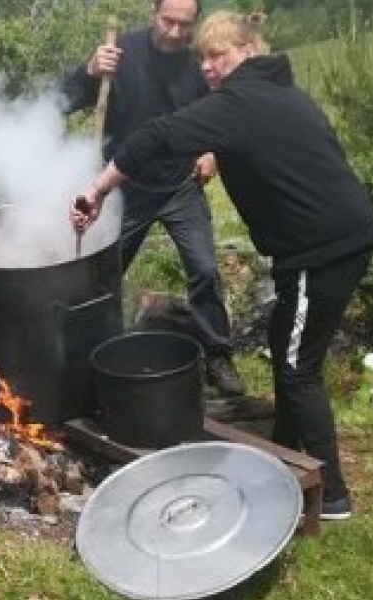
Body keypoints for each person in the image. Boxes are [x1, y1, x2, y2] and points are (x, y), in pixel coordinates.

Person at [71, 10, 373, 520]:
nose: (210, 68)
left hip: (320, 251)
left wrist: (97, 188)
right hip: (335, 240)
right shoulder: (282, 92)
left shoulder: (239, 103)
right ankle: (287, 448)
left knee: (298, 368)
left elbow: (154, 138)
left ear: (249, 50)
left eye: (220, 55)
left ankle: (334, 497)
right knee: (288, 344)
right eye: (204, 58)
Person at [62, 0, 245, 396]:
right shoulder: (119, 53)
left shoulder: (199, 62)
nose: (176, 33)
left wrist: (210, 150)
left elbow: (217, 113)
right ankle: (90, 353)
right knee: (104, 275)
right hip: (124, 188)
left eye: (185, 25)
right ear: (153, 15)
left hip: (180, 185)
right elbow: (64, 99)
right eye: (168, 22)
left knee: (205, 269)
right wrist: (89, 71)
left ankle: (217, 354)